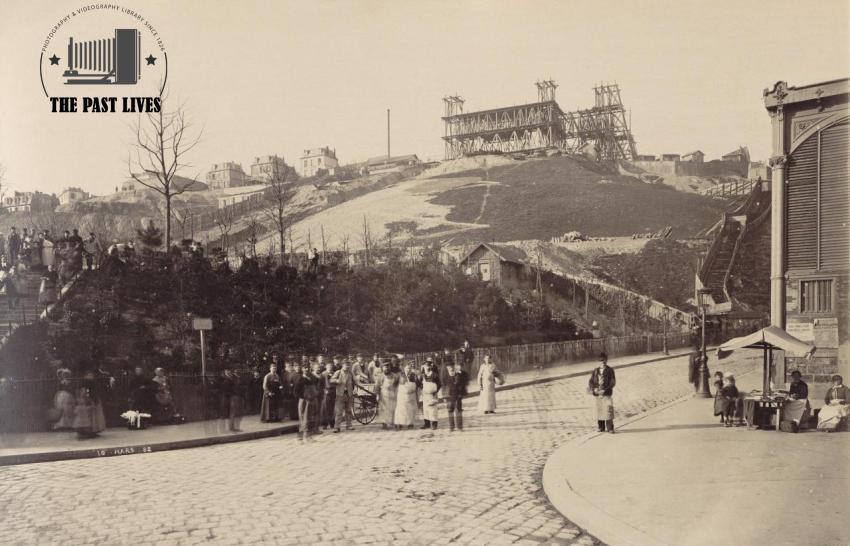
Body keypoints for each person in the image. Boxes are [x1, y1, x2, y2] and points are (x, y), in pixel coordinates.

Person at [72, 371, 106, 439]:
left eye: (92, 375)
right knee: (89, 417)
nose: (91, 377)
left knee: (95, 417)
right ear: (85, 376)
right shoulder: (84, 383)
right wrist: (87, 399)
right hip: (89, 401)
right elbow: (84, 392)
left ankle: (93, 431)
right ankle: (88, 432)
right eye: (89, 375)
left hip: (94, 400)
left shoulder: (93, 382)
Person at [588, 352, 616, 433]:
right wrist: (594, 388)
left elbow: (612, 382)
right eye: (601, 360)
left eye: (604, 360)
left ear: (606, 361)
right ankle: (601, 427)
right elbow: (591, 381)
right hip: (598, 394)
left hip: (606, 394)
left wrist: (605, 390)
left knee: (608, 410)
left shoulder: (610, 370)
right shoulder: (595, 371)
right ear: (598, 361)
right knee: (599, 410)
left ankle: (610, 428)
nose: (603, 362)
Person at [331, 359, 355, 432]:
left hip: (349, 394)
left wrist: (354, 390)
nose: (347, 366)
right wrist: (336, 381)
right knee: (339, 411)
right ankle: (337, 427)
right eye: (346, 365)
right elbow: (331, 380)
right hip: (340, 394)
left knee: (349, 411)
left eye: (348, 365)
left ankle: (349, 425)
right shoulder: (338, 372)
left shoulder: (350, 373)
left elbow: (354, 382)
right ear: (342, 365)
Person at [394, 362, 419, 430]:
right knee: (401, 409)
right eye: (407, 368)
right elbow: (395, 384)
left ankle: (410, 423)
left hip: (411, 395)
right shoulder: (400, 375)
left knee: (410, 409)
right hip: (402, 395)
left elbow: (417, 384)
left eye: (409, 368)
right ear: (404, 368)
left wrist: (414, 390)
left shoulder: (413, 375)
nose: (408, 370)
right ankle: (400, 423)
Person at [374, 360, 399, 430]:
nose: (387, 368)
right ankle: (384, 424)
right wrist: (377, 395)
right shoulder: (380, 376)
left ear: (390, 367)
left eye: (388, 367)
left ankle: (395, 423)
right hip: (384, 395)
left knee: (393, 409)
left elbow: (398, 386)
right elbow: (377, 386)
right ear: (382, 368)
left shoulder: (395, 376)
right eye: (385, 367)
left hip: (393, 395)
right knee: (383, 410)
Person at [446, 362, 469, 432]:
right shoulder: (445, 376)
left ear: (454, 367)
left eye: (452, 367)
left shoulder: (458, 375)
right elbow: (444, 386)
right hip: (449, 396)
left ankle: (459, 427)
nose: (450, 368)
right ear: (447, 368)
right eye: (449, 367)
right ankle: (451, 427)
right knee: (450, 410)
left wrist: (460, 394)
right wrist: (445, 396)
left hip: (457, 395)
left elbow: (461, 385)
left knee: (459, 410)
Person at [421, 361, 442, 429]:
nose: (427, 367)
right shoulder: (423, 375)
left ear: (430, 366)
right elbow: (420, 383)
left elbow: (439, 384)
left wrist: (435, 391)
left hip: (432, 394)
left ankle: (434, 424)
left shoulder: (434, 375)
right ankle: (427, 424)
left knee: (432, 409)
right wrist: (423, 389)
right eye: (425, 366)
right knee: (425, 409)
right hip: (425, 394)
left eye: (428, 366)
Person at [320, 360, 336, 430]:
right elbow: (320, 384)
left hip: (334, 391)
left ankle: (332, 423)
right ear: (326, 367)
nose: (330, 367)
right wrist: (324, 390)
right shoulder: (323, 374)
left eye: (331, 366)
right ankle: (325, 424)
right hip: (326, 392)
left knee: (333, 408)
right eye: (328, 366)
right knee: (325, 408)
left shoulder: (334, 373)